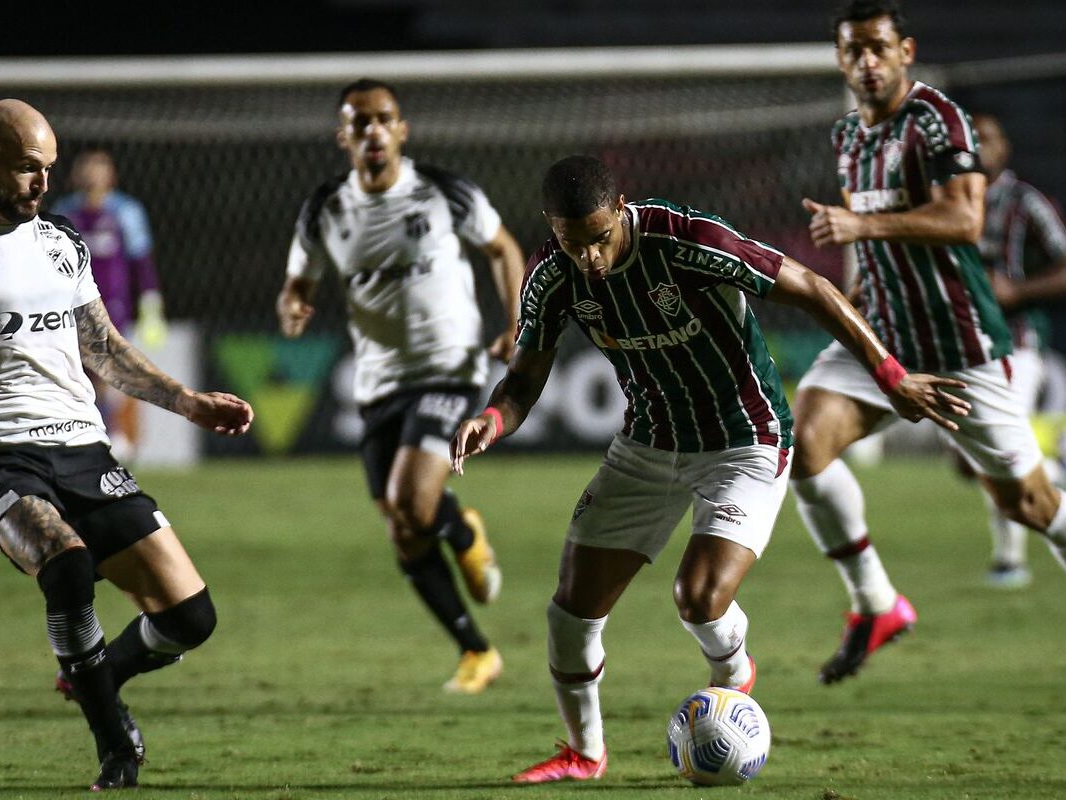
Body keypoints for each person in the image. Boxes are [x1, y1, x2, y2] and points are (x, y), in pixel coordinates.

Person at [449, 154, 967, 782]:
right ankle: (584, 754)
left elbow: (812, 288)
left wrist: (892, 376)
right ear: (551, 227)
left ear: (620, 210)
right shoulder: (551, 278)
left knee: (697, 598)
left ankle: (733, 674)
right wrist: (493, 420)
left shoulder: (688, 240)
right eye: (570, 241)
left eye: (598, 238)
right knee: (569, 615)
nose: (588, 257)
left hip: (744, 440)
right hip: (647, 446)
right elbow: (526, 379)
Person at [0, 99, 254, 790]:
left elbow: (102, 348)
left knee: (190, 617)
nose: (42, 184)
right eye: (26, 169)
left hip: (83, 450)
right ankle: (115, 743)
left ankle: (94, 677)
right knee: (66, 565)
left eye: (47, 168)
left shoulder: (61, 241)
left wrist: (186, 401)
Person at [792, 0, 1066, 685]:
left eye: (879, 47)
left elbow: (965, 217)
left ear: (905, 51)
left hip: (957, 343)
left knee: (1028, 505)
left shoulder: (937, 119)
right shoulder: (849, 136)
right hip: (885, 330)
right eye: (853, 50)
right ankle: (876, 603)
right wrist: (856, 293)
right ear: (840, 59)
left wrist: (861, 231)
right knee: (804, 443)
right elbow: (880, 235)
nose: (867, 62)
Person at [275, 78, 525, 694]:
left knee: (413, 502)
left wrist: (516, 322)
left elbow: (503, 248)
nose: (373, 131)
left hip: (451, 367)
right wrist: (293, 306)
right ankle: (477, 651)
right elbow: (298, 283)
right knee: (403, 529)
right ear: (344, 137)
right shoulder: (326, 209)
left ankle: (463, 533)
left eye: (384, 118)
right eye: (360, 122)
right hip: (379, 382)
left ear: (402, 130)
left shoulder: (444, 192)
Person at [964, 112, 1066, 588]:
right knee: (972, 459)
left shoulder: (1024, 201)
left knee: (999, 449)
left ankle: (1010, 560)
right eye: (971, 139)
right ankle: (1053, 470)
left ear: (1005, 148)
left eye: (988, 138)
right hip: (958, 349)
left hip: (1015, 346)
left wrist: (1017, 291)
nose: (979, 147)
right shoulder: (942, 200)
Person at [52, 149, 167, 463]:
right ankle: (87, 433)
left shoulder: (126, 212)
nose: (92, 175)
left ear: (111, 175)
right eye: (86, 168)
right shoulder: (65, 213)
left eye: (99, 168)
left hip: (112, 304)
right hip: (68, 305)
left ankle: (114, 432)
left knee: (106, 366)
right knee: (76, 369)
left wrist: (151, 302)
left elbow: (141, 260)